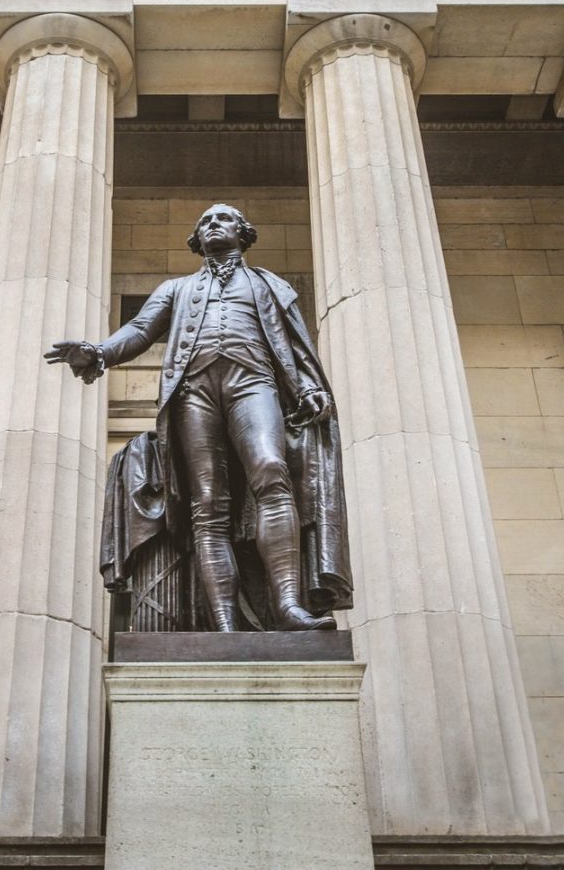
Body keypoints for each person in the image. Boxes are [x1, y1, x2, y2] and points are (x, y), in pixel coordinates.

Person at [46, 204, 351, 632]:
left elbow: (294, 345)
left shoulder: (270, 285)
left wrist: (307, 387)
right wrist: (98, 352)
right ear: (196, 239)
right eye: (205, 221)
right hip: (193, 393)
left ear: (243, 232)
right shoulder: (177, 288)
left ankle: (287, 606)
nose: (212, 225)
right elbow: (139, 330)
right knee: (208, 503)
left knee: (271, 470)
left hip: (254, 383)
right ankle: (223, 623)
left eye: (223, 218)